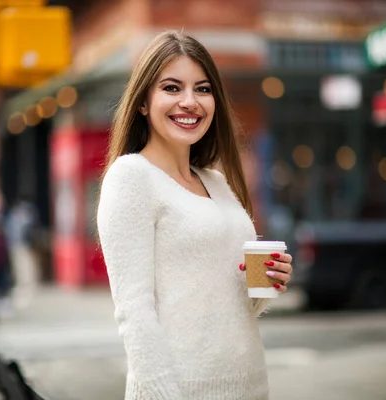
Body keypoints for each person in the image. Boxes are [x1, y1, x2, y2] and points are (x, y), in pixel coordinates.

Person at [97, 31, 293, 399]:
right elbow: (134, 312)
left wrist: (267, 280)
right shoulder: (131, 178)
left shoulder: (216, 181)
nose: (190, 102)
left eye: (202, 89)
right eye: (172, 88)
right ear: (142, 102)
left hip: (250, 386)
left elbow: (231, 302)